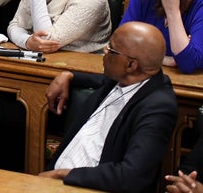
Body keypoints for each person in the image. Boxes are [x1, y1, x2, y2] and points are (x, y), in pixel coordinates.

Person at [41, 21, 178, 192]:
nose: (104, 52)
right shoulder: (124, 78)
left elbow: (132, 176)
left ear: (130, 65)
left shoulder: (158, 108)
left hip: (87, 187)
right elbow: (98, 80)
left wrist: (63, 175)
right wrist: (69, 75)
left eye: (111, 50)